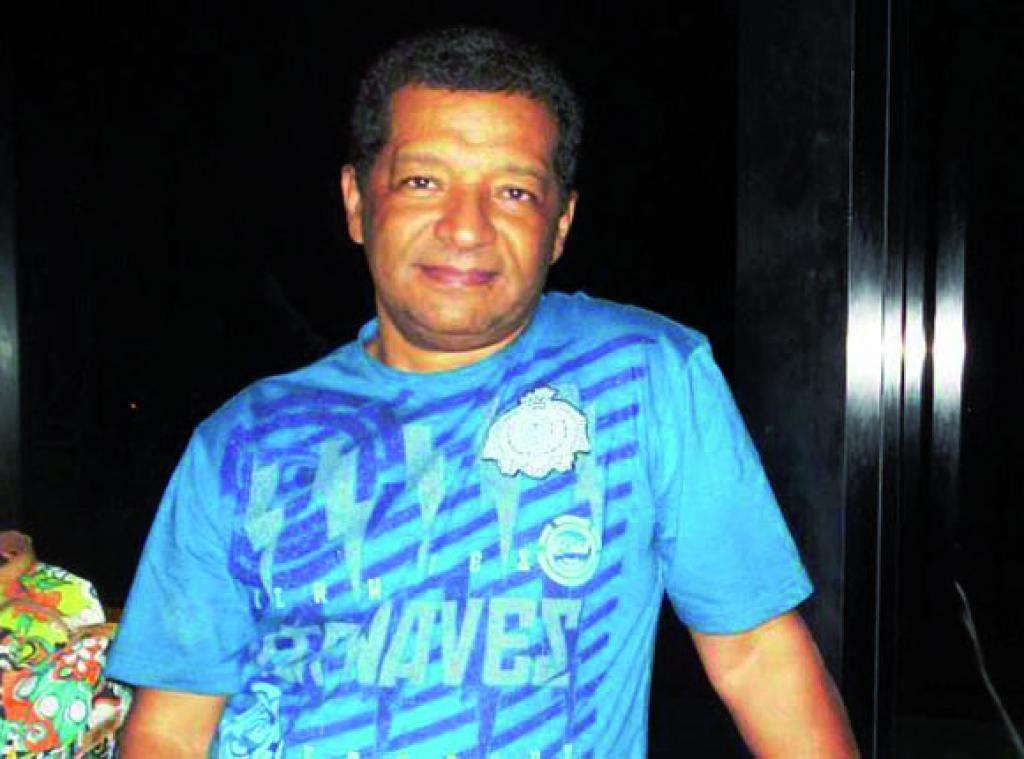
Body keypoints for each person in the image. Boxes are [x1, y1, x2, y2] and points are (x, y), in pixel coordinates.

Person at [107, 26, 857, 758]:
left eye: (513, 191)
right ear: (357, 202)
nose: (466, 227)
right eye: (423, 181)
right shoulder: (242, 441)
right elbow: (172, 728)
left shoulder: (642, 374)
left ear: (560, 225)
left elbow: (758, 657)